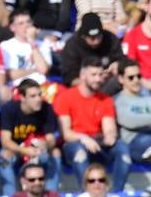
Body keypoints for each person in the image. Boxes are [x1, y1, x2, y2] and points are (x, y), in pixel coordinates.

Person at [55, 58, 129, 189]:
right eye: (93, 75)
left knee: (122, 148)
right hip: (75, 143)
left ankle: (117, 193)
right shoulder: (65, 98)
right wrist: (84, 138)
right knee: (79, 151)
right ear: (82, 75)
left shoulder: (105, 100)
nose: (98, 79)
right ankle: (86, 194)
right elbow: (66, 133)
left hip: (98, 143)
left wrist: (110, 135)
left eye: (100, 75)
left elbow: (109, 128)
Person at [0, 77, 61, 194]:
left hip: (36, 149)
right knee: (4, 156)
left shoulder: (46, 108)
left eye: (39, 95)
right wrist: (24, 150)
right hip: (15, 149)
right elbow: (5, 141)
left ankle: (51, 196)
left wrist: (45, 144)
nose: (38, 99)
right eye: (33, 96)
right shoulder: (9, 109)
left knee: (55, 153)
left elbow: (51, 139)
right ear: (22, 97)